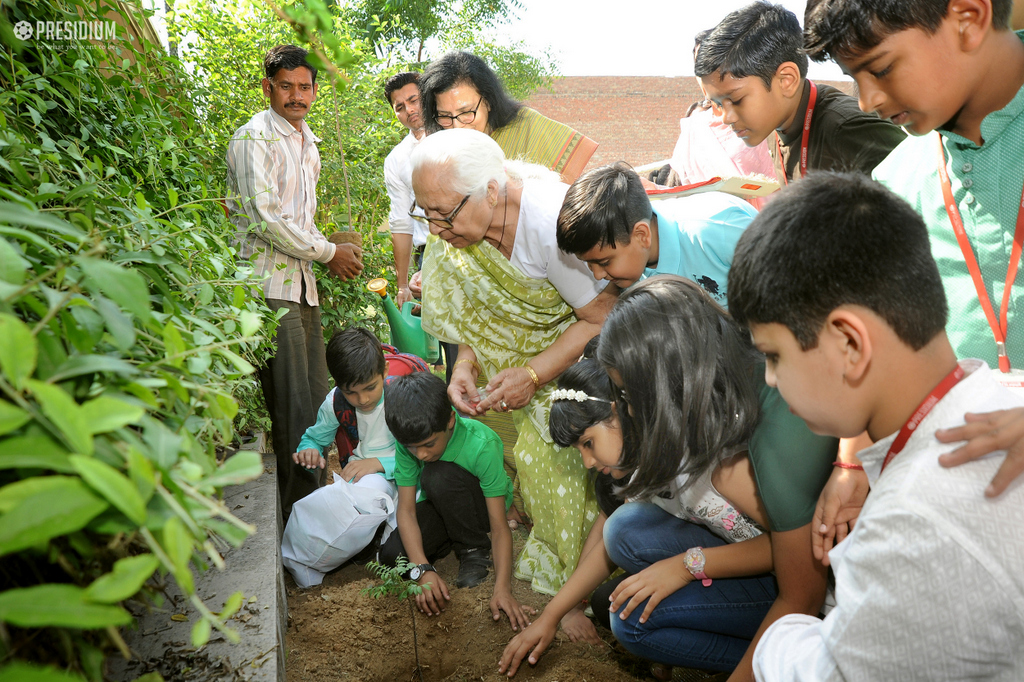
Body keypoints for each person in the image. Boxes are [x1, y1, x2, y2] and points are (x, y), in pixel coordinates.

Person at [726, 170, 1024, 681]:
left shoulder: (910, 522)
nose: (771, 381)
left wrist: (782, 638)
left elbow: (830, 672)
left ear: (850, 344)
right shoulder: (1005, 397)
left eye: (774, 356)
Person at [801, 0, 1024, 556]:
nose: (868, 100)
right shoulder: (896, 179)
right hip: (961, 496)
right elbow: (879, 330)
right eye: (853, 77)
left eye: (879, 68)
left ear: (968, 19)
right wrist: (852, 461)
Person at [411, 128, 619, 594]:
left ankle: (586, 582)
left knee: (557, 454)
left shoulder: (549, 224)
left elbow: (600, 316)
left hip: (578, 366)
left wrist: (532, 374)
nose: (434, 230)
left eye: (443, 215)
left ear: (490, 190)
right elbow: (479, 316)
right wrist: (465, 363)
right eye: (425, 214)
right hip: (525, 373)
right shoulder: (464, 227)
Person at [500, 348, 778, 680]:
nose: (588, 462)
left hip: (797, 585)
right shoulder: (642, 466)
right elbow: (606, 546)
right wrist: (551, 615)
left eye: (588, 443)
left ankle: (778, 664)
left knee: (630, 619)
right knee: (621, 537)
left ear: (620, 414)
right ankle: (748, 656)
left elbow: (794, 548)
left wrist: (686, 566)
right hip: (741, 562)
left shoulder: (715, 462)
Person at [226, 45, 363, 517]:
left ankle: (316, 509)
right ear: (268, 88)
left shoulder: (308, 143)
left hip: (302, 287)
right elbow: (265, 219)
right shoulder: (253, 140)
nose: (297, 96)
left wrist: (332, 247)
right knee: (291, 409)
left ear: (314, 90)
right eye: (286, 86)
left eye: (304, 86)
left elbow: (298, 220)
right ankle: (300, 523)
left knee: (317, 403)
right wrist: (328, 252)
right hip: (268, 289)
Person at [377, 372, 535, 630]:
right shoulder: (409, 445)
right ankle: (449, 539)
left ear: (450, 420)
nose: (421, 454)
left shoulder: (481, 444)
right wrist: (423, 570)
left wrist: (503, 589)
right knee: (393, 556)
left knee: (437, 474)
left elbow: (498, 526)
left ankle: (473, 549)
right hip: (442, 506)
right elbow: (405, 512)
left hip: (481, 509)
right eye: (412, 448)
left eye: (428, 444)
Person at [694, 2, 905, 184]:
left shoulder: (847, 129)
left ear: (787, 81)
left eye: (737, 100)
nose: (725, 117)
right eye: (719, 104)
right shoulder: (774, 128)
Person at [291, 328, 429, 537]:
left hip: (412, 477)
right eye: (351, 393)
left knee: (399, 541)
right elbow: (314, 438)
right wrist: (309, 449)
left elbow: (427, 450)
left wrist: (379, 463)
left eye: (370, 387)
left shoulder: (403, 396)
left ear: (385, 371)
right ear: (338, 385)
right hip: (366, 478)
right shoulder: (335, 403)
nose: (363, 399)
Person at [557, 162, 757, 299]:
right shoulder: (632, 275)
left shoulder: (718, 229)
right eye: (589, 265)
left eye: (604, 262)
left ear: (641, 235)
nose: (598, 275)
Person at [418, 51, 598, 184]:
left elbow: (564, 197)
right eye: (444, 116)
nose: (457, 126)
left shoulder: (528, 127)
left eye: (466, 112)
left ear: (488, 101)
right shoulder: (441, 149)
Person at [671, 30, 777, 209]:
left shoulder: (759, 118)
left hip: (766, 223)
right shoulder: (694, 128)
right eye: (700, 66)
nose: (707, 73)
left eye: (712, 63)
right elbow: (679, 189)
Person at [383, 72, 428, 308]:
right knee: (449, 340)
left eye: (414, 100)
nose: (408, 110)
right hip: (429, 257)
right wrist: (402, 286)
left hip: (474, 246)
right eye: (400, 106)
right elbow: (401, 222)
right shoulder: (397, 159)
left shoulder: (457, 134)